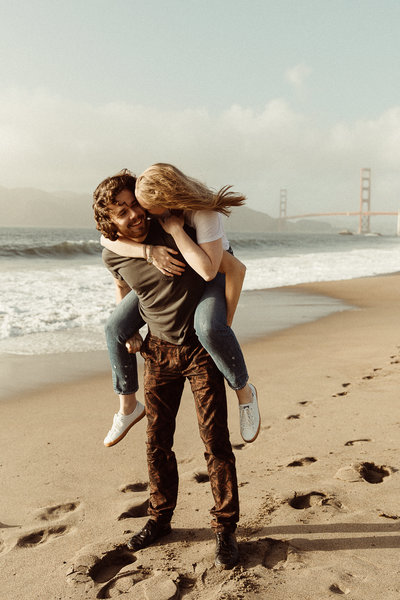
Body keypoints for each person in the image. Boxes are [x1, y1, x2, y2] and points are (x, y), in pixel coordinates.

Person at [93, 170, 240, 569]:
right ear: (111, 220)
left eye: (135, 205)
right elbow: (124, 285)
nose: (134, 215)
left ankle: (225, 529)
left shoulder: (168, 225)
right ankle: (160, 519)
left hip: (198, 351)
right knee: (158, 442)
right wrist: (130, 333)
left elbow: (221, 262)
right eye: (122, 211)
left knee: (216, 441)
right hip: (157, 353)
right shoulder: (113, 249)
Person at [100, 163, 260, 447]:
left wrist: (225, 324)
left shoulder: (200, 216)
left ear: (167, 199)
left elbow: (218, 271)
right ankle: (128, 406)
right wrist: (149, 252)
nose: (141, 216)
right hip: (188, 264)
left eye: (144, 208)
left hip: (213, 267)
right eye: (137, 209)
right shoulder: (155, 214)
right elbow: (107, 240)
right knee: (115, 327)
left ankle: (245, 392)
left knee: (208, 328)